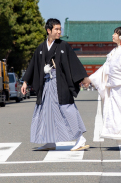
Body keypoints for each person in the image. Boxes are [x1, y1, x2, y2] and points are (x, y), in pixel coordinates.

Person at [21, 18, 91, 152]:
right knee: (45, 111)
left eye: (60, 29)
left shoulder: (63, 45)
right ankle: (49, 141)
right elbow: (33, 65)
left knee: (67, 109)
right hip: (46, 84)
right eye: (56, 29)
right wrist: (25, 82)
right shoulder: (41, 48)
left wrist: (84, 77)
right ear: (49, 30)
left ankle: (80, 138)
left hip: (60, 83)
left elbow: (73, 62)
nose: (59, 32)